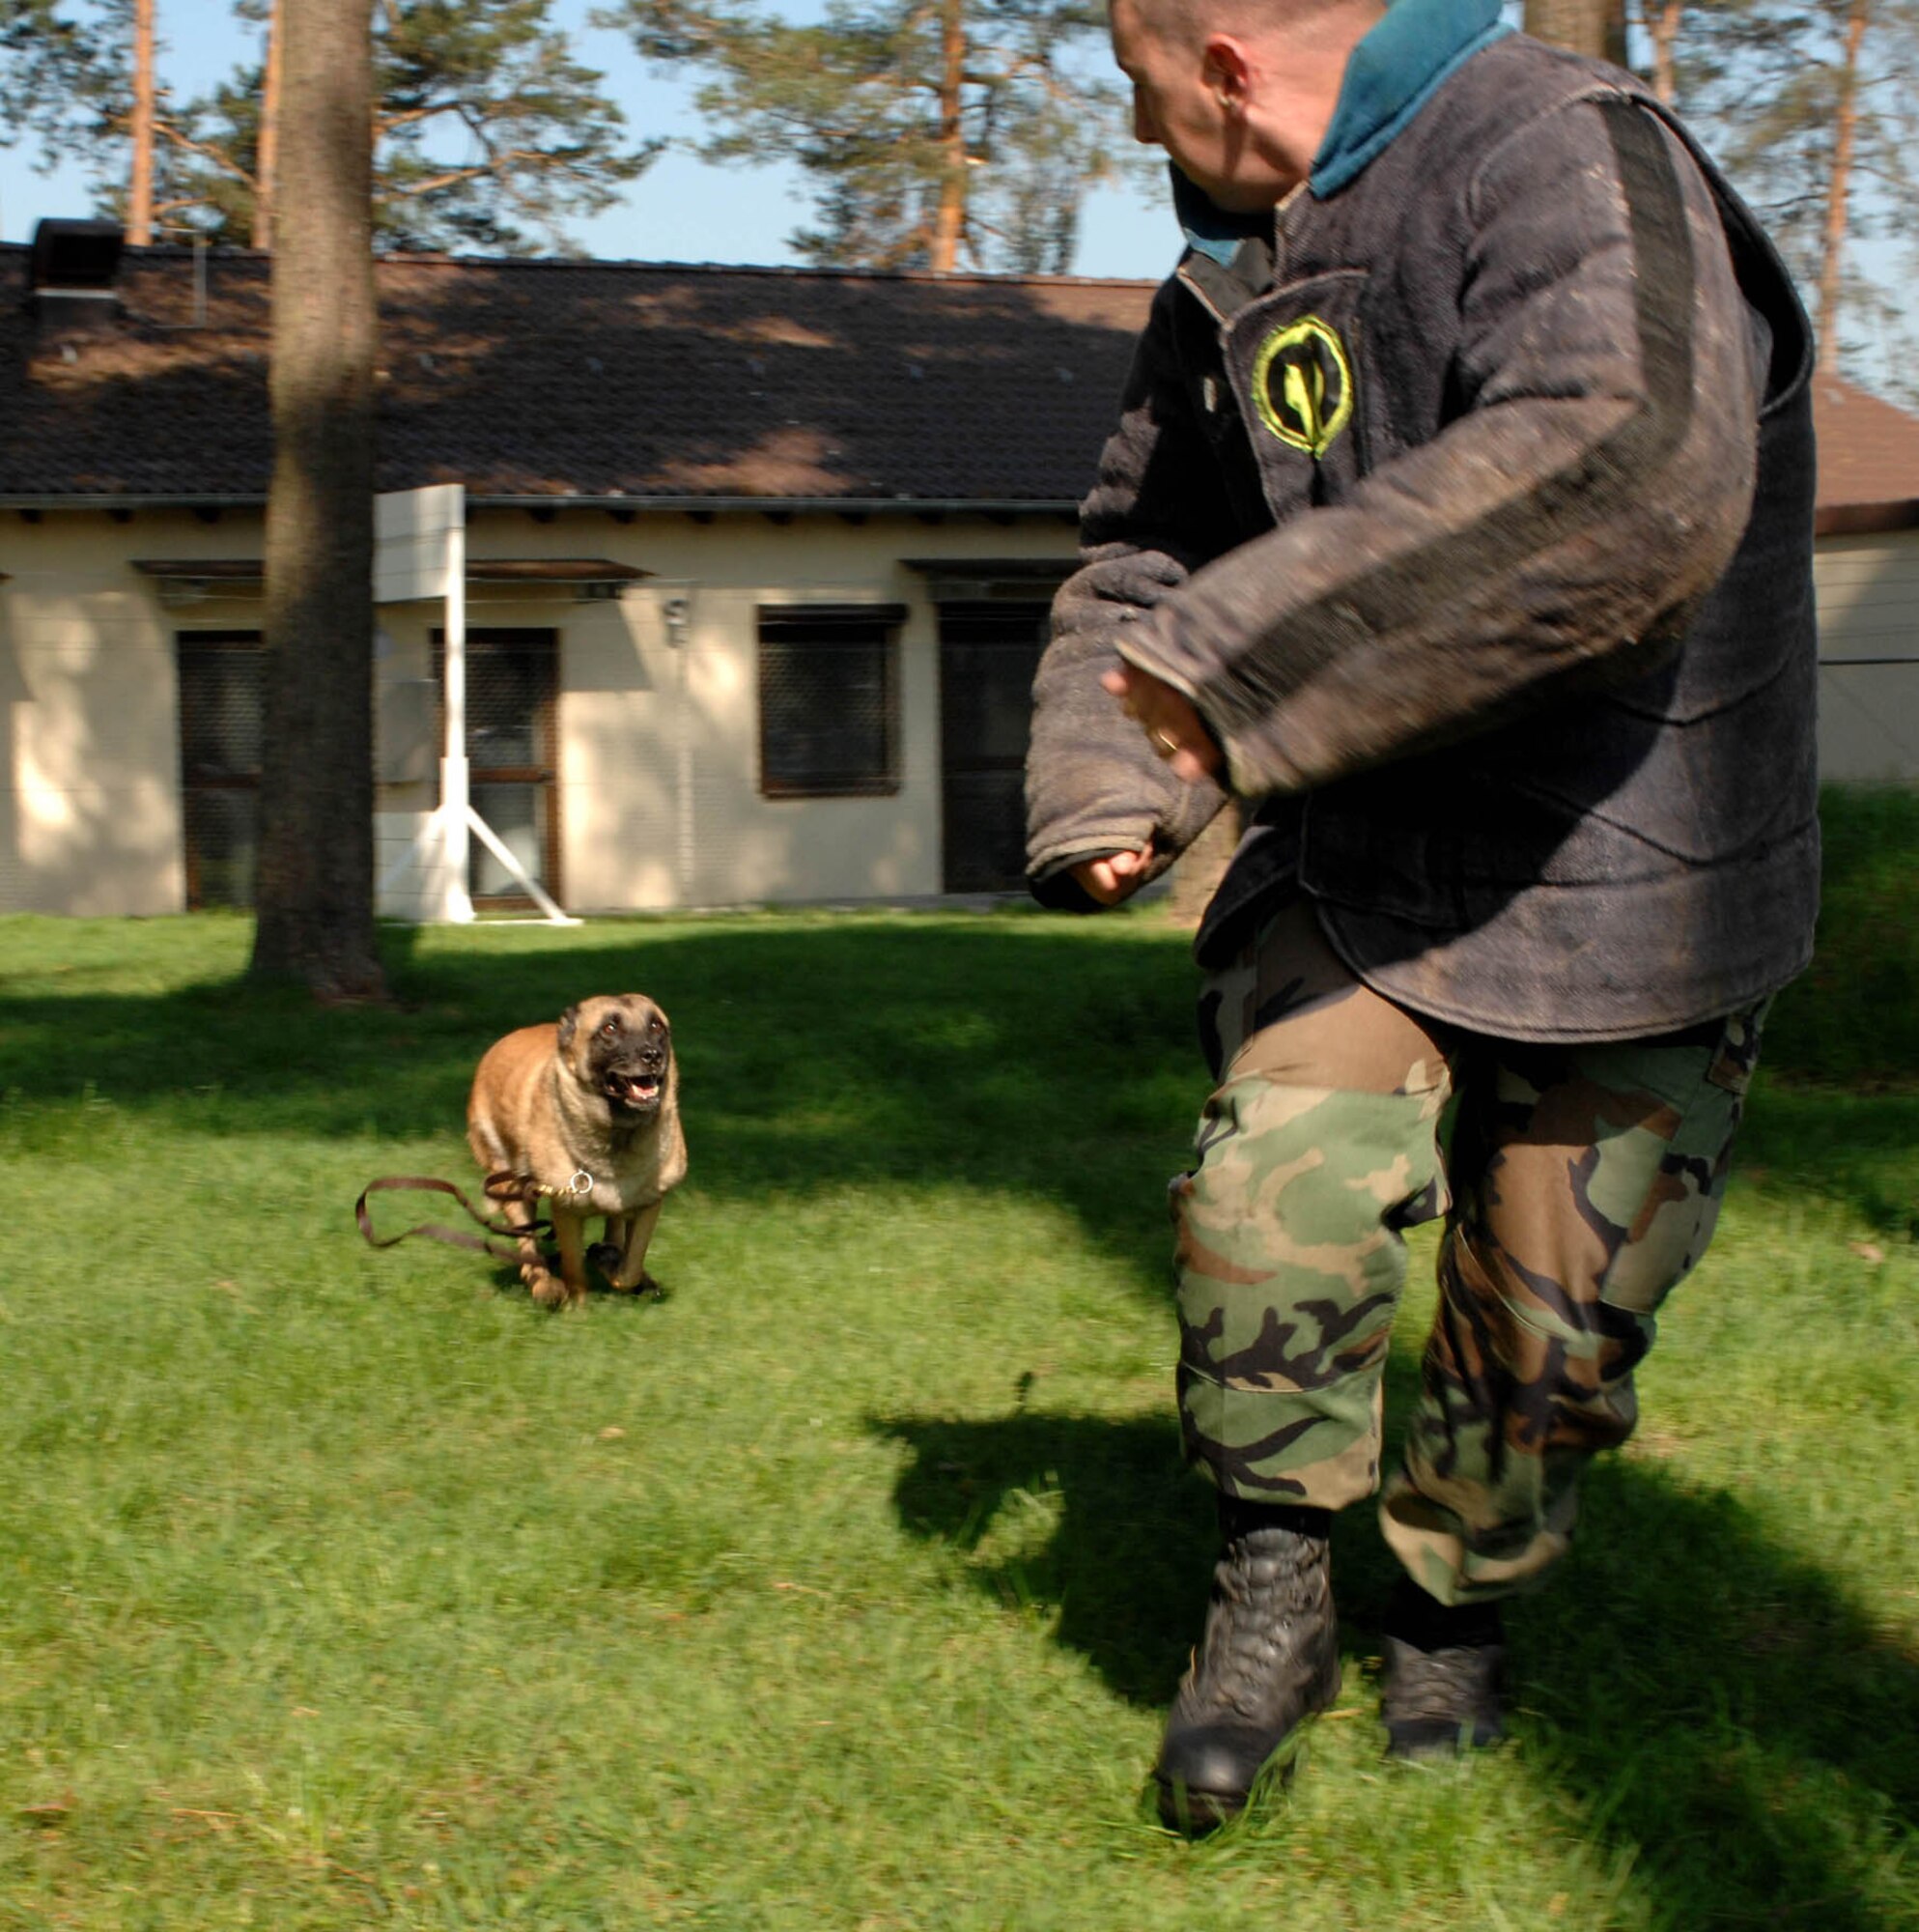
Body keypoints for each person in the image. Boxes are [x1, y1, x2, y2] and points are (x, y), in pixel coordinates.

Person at [1024, 0, 1819, 1833]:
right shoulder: (1229, 264)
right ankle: (1272, 1589)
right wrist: (1111, 771)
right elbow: (1145, 554)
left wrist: (1231, 673)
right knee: (1265, 1198)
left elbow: (1625, 465)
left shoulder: (1571, 149)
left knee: (1548, 1335)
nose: (1135, 124)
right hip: (1373, 862)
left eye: (1139, 82)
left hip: (1643, 872)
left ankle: (1455, 1602)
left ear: (1225, 62)